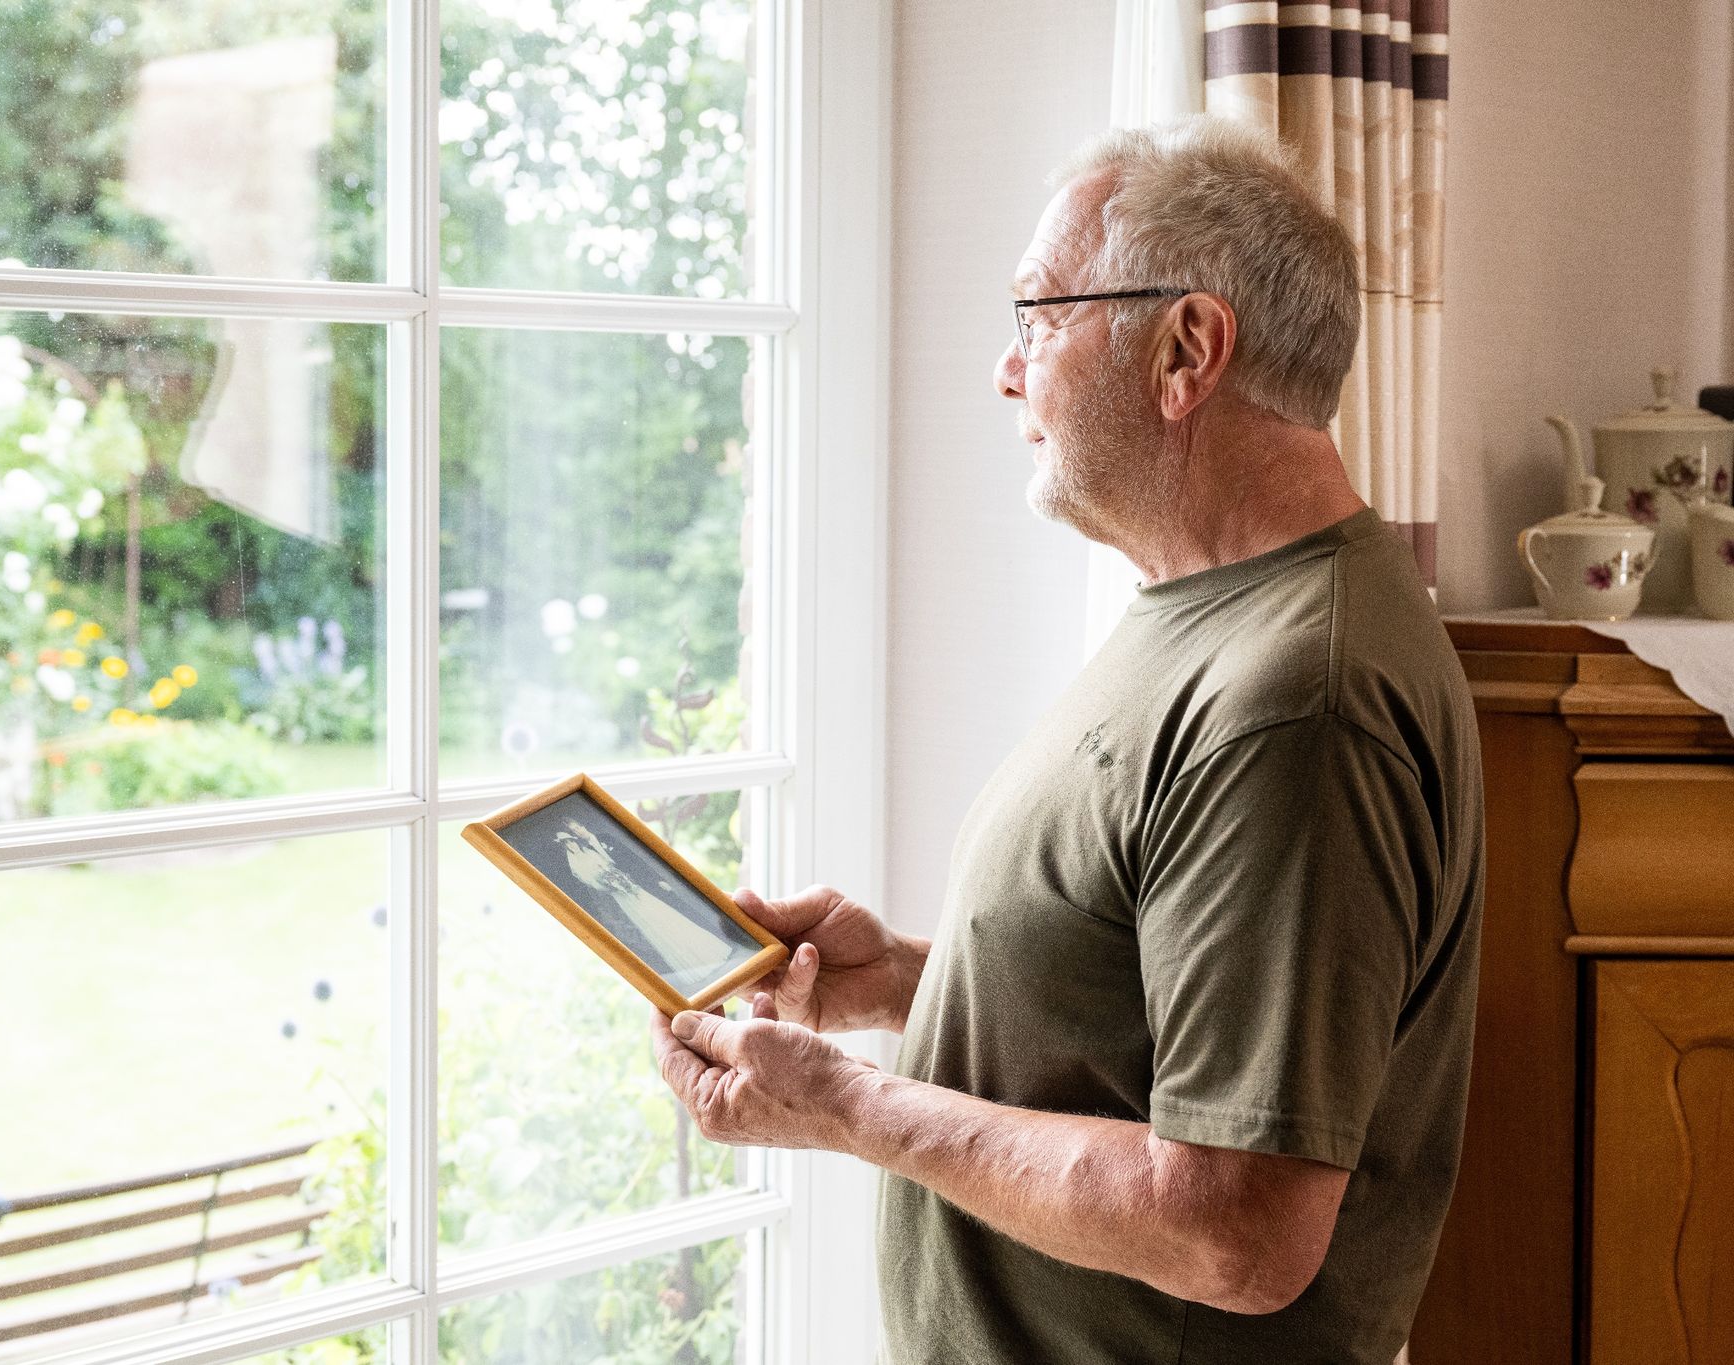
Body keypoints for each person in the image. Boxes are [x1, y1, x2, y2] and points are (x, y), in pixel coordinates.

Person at [651, 115, 1484, 1363]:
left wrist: (844, 1108)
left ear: (1184, 349)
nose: (1006, 369)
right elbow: (1165, 1025)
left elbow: (1235, 1232)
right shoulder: (1213, 615)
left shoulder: (1293, 702)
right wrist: (911, 984)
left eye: (1039, 315)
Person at [555, 816, 752, 993]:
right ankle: (691, 964)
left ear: (582, 825)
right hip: (627, 893)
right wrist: (616, 883)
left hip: (647, 884)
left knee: (679, 914)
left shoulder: (605, 838)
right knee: (658, 926)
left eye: (578, 828)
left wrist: (656, 879)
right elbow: (596, 876)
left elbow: (634, 860)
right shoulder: (585, 852)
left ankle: (717, 947)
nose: (578, 832)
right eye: (573, 832)